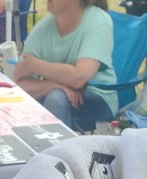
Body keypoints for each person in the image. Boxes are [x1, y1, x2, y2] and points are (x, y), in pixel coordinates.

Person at [12, 0, 117, 130]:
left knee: (55, 98)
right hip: (55, 96)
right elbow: (19, 84)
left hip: (97, 98)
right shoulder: (42, 28)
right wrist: (52, 85)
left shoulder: (98, 20)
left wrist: (35, 65)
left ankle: (60, 143)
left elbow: (79, 77)